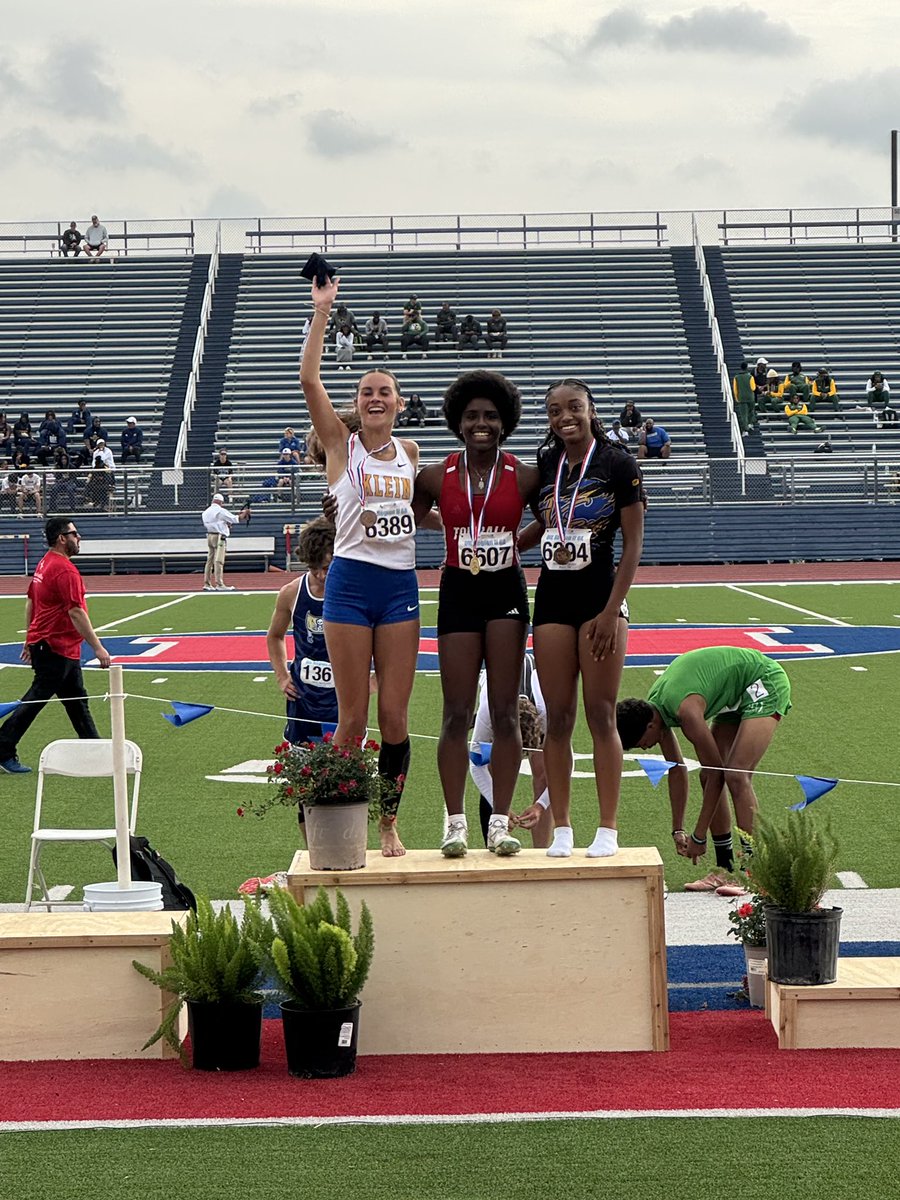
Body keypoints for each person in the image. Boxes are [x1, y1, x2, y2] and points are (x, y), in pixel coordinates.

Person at [300, 271, 419, 857]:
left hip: (399, 587)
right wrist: (323, 310)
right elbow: (308, 379)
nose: (375, 398)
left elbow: (419, 510)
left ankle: (388, 823)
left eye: (385, 392)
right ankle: (323, 821)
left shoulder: (411, 453)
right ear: (357, 405)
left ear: (398, 404)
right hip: (348, 585)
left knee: (395, 718)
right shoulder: (340, 447)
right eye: (367, 392)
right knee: (353, 721)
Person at [412, 370, 538, 857]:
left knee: (506, 712)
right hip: (458, 587)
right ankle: (455, 823)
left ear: (504, 422)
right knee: (456, 713)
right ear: (457, 423)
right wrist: (446, 529)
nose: (480, 423)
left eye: (489, 416)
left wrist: (513, 544)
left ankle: (499, 824)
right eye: (471, 416)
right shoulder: (434, 475)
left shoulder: (524, 474)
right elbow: (406, 511)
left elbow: (553, 518)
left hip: (505, 586)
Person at [524, 378, 644, 858]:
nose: (564, 416)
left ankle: (609, 828)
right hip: (553, 598)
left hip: (601, 598)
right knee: (558, 717)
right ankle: (564, 827)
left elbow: (633, 542)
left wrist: (612, 610)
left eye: (573, 406)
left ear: (591, 409)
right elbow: (550, 521)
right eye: (555, 410)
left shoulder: (618, 462)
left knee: (600, 713)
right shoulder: (549, 462)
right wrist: (512, 543)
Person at [616, 645, 792, 888]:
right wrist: (678, 829)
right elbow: (676, 769)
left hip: (762, 681)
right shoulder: (656, 709)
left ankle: (754, 871)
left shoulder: (685, 711)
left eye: (641, 744)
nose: (645, 748)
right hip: (733, 696)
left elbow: (717, 774)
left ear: (649, 727)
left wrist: (699, 835)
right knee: (706, 777)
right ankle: (724, 870)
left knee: (735, 775)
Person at [0, 517, 111, 774]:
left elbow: (31, 601)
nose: (79, 538)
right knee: (36, 699)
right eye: (74, 533)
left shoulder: (45, 563)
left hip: (56, 645)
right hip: (54, 646)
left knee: (76, 701)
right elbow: (76, 612)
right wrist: (98, 647)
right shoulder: (64, 570)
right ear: (62, 538)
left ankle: (95, 750)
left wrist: (30, 637)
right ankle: (3, 746)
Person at [468, 654, 553, 850]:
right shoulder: (488, 711)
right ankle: (494, 837)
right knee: (492, 771)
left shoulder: (546, 711)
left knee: (545, 774)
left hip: (538, 688)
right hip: (496, 692)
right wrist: (502, 809)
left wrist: (540, 806)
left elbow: (565, 767)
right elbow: (476, 763)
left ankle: (540, 853)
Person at [267, 517, 338, 747]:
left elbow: (382, 639)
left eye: (327, 567)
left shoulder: (356, 592)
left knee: (348, 769)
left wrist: (375, 680)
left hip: (343, 700)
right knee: (302, 770)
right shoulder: (292, 592)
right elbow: (275, 636)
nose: (321, 575)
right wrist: (281, 676)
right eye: (313, 567)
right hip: (303, 698)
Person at [201, 492, 247, 591]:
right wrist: (244, 514)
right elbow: (235, 519)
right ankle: (219, 583)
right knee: (219, 560)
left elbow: (215, 523)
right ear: (221, 502)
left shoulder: (206, 512)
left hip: (209, 536)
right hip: (219, 537)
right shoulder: (220, 511)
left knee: (209, 560)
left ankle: (207, 583)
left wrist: (225, 524)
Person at [731, 361, 757, 436]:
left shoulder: (736, 377)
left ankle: (745, 430)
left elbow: (735, 389)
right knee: (751, 411)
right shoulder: (750, 377)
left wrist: (737, 398)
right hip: (750, 397)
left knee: (743, 415)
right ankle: (750, 424)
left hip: (741, 398)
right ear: (747, 367)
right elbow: (753, 387)